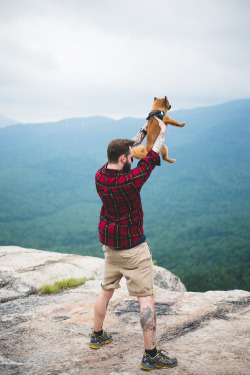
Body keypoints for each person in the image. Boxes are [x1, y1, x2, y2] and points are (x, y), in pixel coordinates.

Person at [90, 117, 177, 370]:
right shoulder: (131, 181)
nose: (133, 158)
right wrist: (160, 132)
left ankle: (97, 336)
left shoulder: (99, 176)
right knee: (146, 299)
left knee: (106, 290)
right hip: (134, 249)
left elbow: (132, 150)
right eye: (130, 156)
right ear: (123, 159)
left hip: (111, 249)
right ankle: (150, 355)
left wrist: (140, 131)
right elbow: (151, 156)